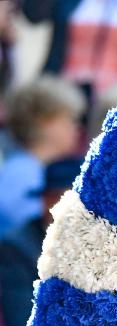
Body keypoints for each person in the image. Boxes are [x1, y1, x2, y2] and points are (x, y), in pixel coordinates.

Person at [0, 157, 83, 326]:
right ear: (45, 200)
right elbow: (22, 325)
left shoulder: (96, 240)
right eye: (55, 198)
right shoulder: (17, 246)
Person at [0, 75, 85, 237]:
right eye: (69, 120)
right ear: (45, 122)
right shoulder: (22, 173)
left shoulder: (27, 167)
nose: (76, 128)